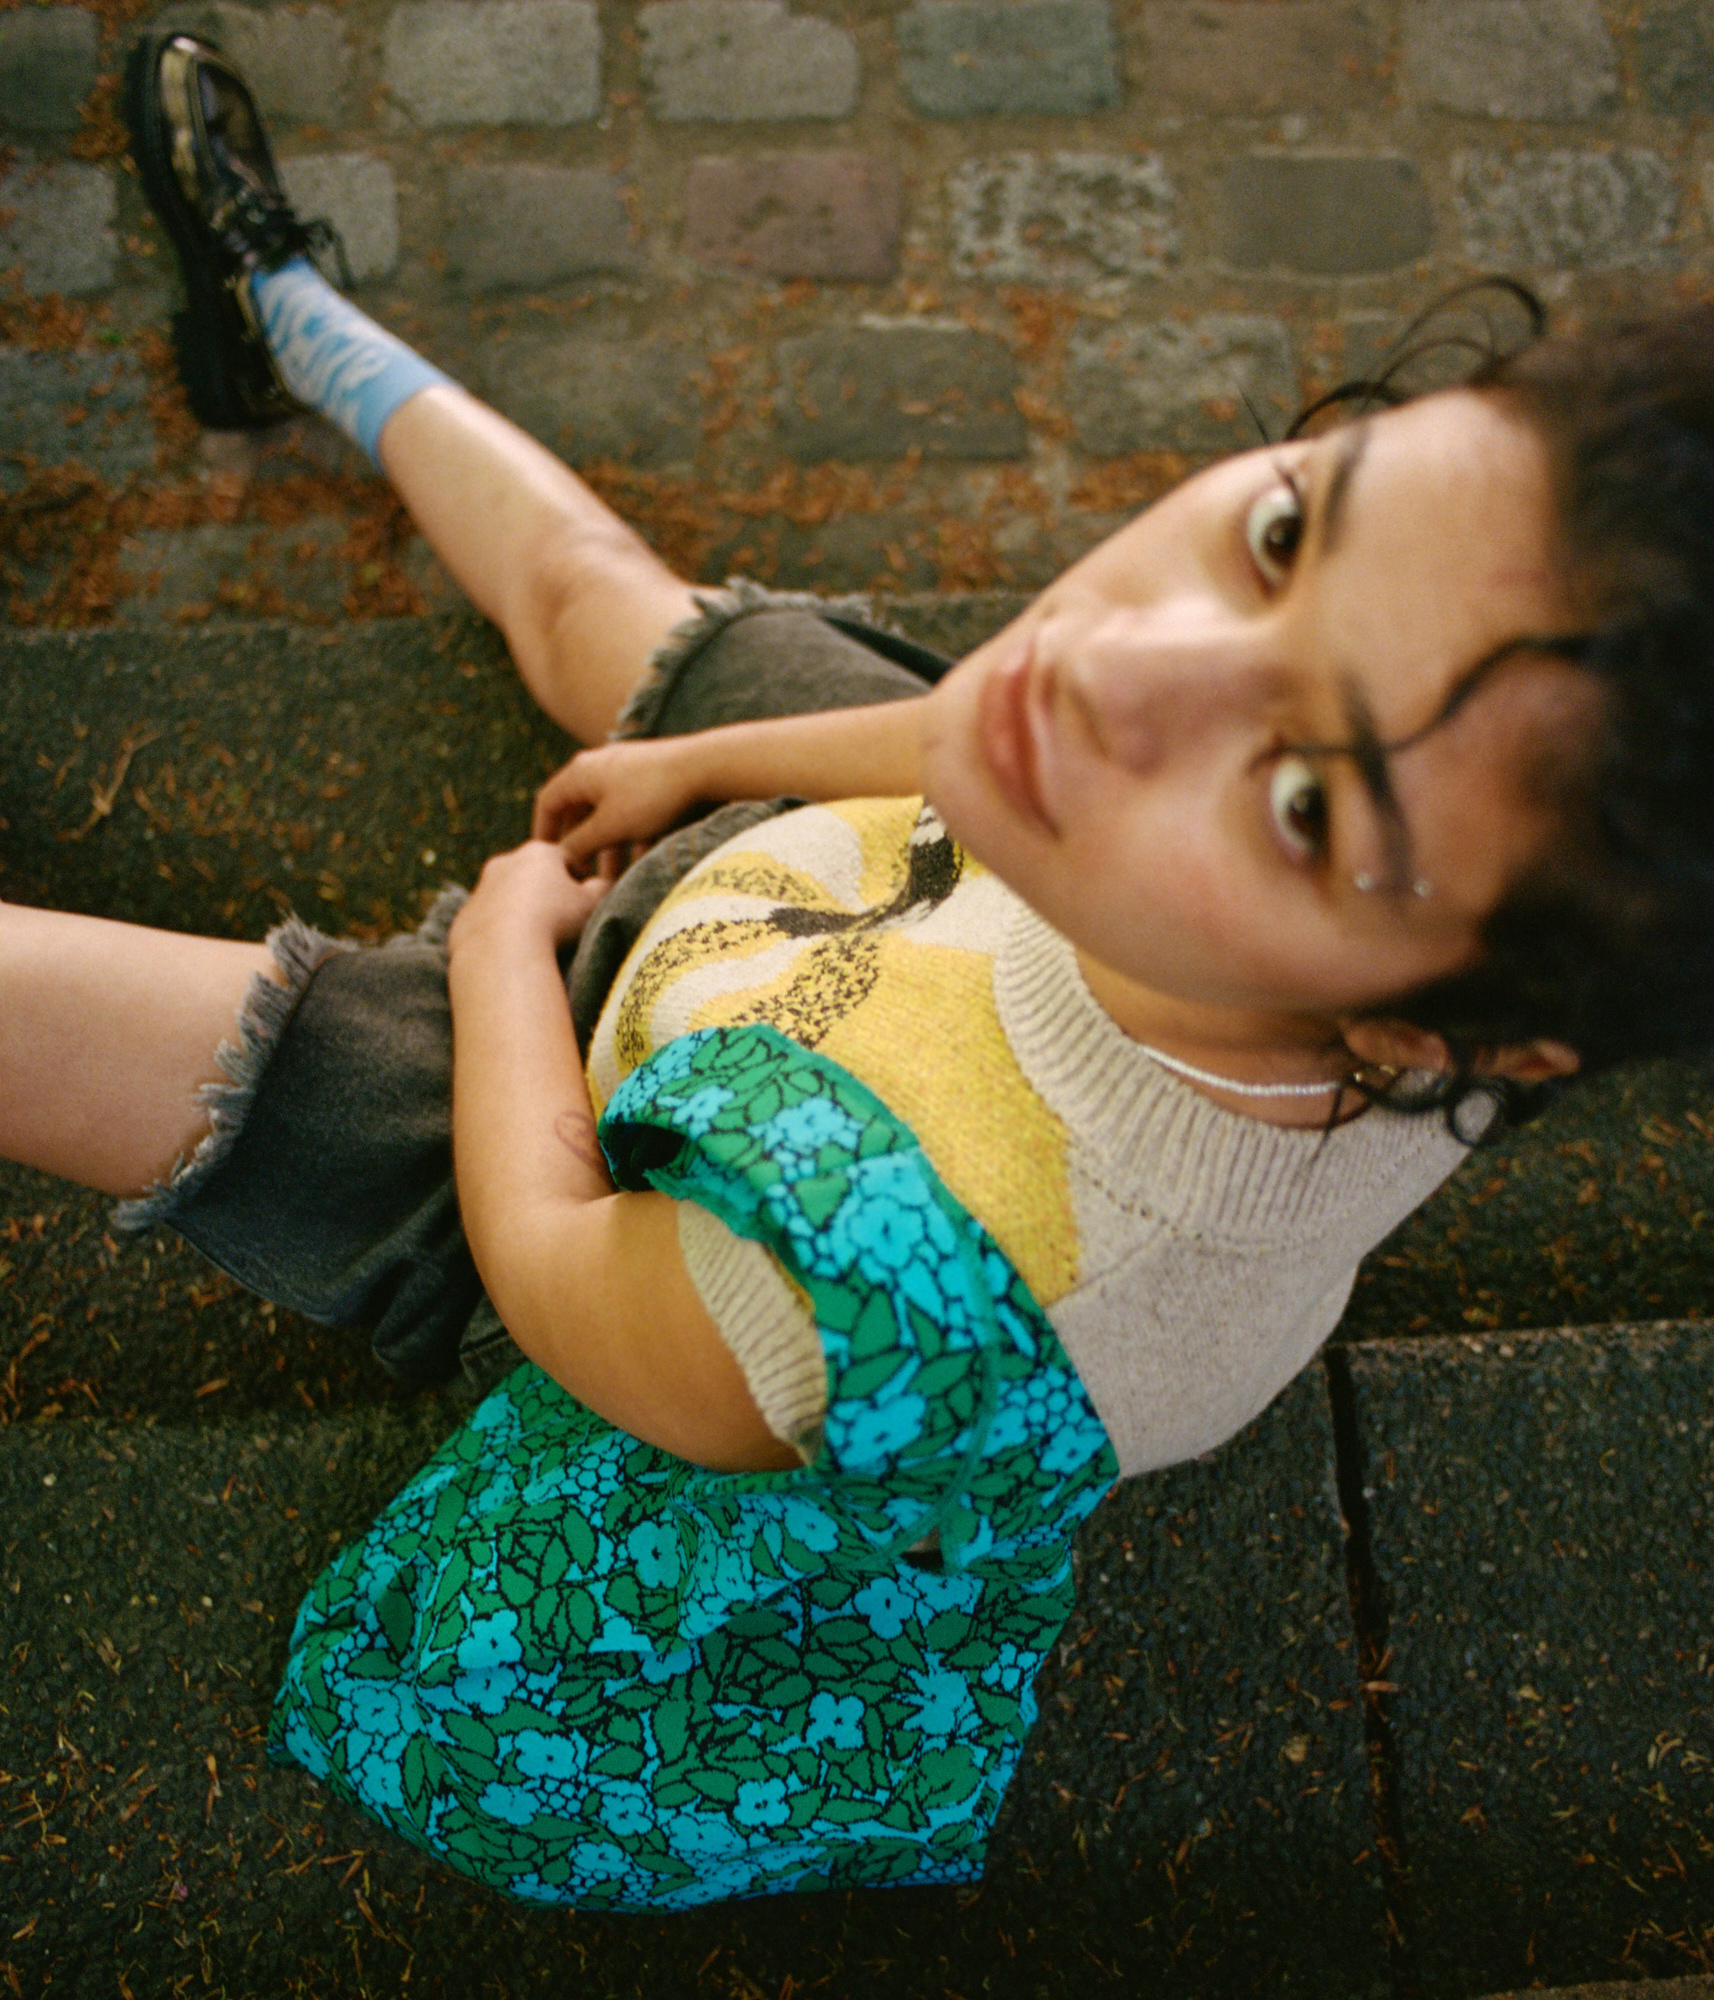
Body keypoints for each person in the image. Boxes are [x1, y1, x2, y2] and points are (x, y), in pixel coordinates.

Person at [5, 27, 1710, 1911]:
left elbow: (564, 1273)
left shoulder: (896, 1293)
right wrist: (707, 759)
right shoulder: (1257, 867)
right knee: (587, 589)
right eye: (1292, 530)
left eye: (1305, 795)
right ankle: (287, 306)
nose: (1112, 659)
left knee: (66, 1020)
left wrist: (500, 959)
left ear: (1429, 1027)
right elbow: (994, 739)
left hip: (615, 1156)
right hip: (862, 912)